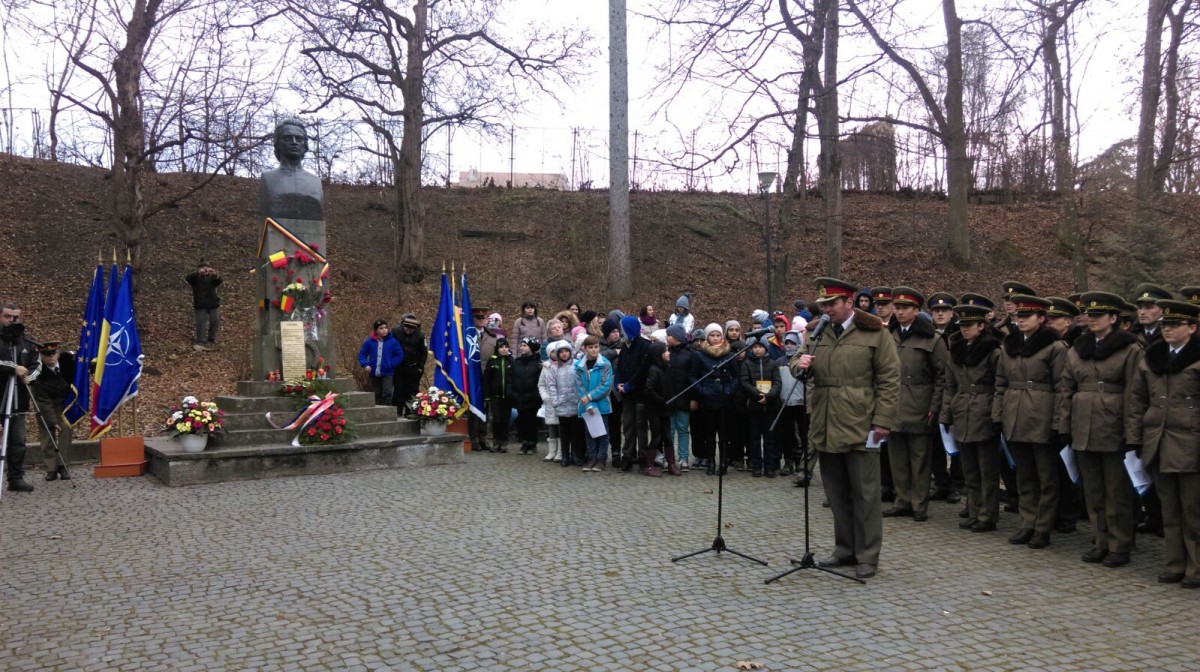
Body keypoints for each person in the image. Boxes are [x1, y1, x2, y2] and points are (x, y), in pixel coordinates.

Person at [792, 278, 900, 580]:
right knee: (836, 492)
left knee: (865, 493)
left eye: (832, 304)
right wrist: (798, 364)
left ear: (849, 302)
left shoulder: (875, 333)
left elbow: (890, 379)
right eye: (823, 304)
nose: (827, 309)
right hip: (825, 421)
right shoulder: (818, 332)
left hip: (860, 422)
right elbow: (796, 359)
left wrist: (883, 420)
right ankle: (845, 549)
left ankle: (867, 554)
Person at [1060, 291, 1141, 567]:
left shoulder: (1129, 349)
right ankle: (1100, 540)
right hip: (1083, 425)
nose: (1092, 319)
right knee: (1093, 491)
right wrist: (1064, 425)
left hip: (1113, 426)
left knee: (1116, 492)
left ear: (1113, 318)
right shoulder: (1078, 348)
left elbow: (1135, 394)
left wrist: (1132, 432)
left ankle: (1120, 544)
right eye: (1089, 314)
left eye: (1099, 315)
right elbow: (1066, 388)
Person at [1129, 299, 1200, 588]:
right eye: (1165, 325)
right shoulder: (1152, 358)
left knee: (1193, 511)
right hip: (1158, 442)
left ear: (1192, 328)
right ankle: (1174, 563)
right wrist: (1134, 439)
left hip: (1191, 443)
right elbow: (1136, 400)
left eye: (1174, 324)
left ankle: (1196, 567)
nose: (1167, 329)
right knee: (1169, 510)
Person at [993, 293, 1067, 550]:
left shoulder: (1055, 347)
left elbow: (1062, 388)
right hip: (1015, 416)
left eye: (1027, 316)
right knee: (1024, 475)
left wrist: (1057, 422)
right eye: (1018, 316)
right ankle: (1027, 522)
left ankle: (1043, 527)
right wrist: (998, 415)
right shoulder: (1010, 345)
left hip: (1041, 417)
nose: (1021, 320)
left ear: (1041, 318)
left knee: (1046, 477)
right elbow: (1000, 383)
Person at [883, 287, 947, 522]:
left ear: (916, 311)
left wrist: (934, 407)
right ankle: (902, 500)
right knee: (897, 459)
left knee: (920, 459)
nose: (900, 312)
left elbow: (942, 376)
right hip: (893, 403)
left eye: (905, 308)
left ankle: (919, 503)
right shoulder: (889, 335)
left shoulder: (932, 338)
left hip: (920, 403)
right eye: (897, 308)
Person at [941, 301, 1003, 533]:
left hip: (983, 410)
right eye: (962, 325)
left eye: (969, 325)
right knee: (970, 469)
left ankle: (988, 514)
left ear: (981, 326)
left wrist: (996, 415)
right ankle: (975, 510)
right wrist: (946, 414)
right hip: (962, 410)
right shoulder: (956, 351)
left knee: (987, 469)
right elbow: (949, 385)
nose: (964, 329)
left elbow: (999, 385)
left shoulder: (993, 351)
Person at [690, 323, 740, 475]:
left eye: (718, 335)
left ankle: (723, 462)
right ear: (707, 337)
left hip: (725, 399)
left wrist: (730, 390)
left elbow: (737, 376)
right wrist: (702, 391)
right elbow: (693, 376)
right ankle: (710, 462)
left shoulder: (729, 355)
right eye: (712, 335)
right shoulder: (699, 355)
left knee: (724, 434)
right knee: (709, 433)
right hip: (708, 400)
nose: (715, 338)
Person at [0, 303, 37, 492]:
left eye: (15, 317)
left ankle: (15, 478)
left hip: (17, 399)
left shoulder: (26, 341)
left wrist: (29, 376)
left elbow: (37, 364)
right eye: (7, 316)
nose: (12, 320)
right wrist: (13, 368)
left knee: (18, 441)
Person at [260, 117, 324, 220]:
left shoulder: (315, 181)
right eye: (287, 138)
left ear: (305, 144)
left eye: (299, 139)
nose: (294, 142)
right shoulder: (268, 178)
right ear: (277, 143)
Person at [29, 341, 74, 481]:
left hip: (64, 404)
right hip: (45, 406)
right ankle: (51, 469)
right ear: (41, 356)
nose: (51, 357)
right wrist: (53, 421)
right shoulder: (37, 372)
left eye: (53, 354)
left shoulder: (68, 363)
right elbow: (43, 401)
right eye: (47, 355)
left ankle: (63, 466)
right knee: (47, 433)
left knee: (65, 429)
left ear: (58, 354)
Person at [740, 336, 782, 477]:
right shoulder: (747, 364)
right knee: (755, 438)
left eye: (760, 347)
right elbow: (745, 382)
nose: (757, 350)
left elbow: (777, 382)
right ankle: (756, 465)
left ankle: (769, 466)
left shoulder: (773, 364)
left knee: (770, 439)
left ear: (765, 348)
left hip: (771, 406)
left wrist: (768, 397)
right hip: (754, 406)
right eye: (755, 347)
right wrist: (758, 396)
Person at [615, 315, 652, 473]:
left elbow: (643, 370)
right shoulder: (625, 346)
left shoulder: (645, 345)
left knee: (641, 426)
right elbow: (620, 367)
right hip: (626, 393)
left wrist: (630, 385)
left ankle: (643, 457)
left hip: (640, 393)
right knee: (628, 425)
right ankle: (627, 456)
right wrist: (618, 383)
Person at [575, 335, 614, 472]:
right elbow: (579, 386)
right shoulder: (579, 366)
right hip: (586, 405)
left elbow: (606, 385)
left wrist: (590, 397)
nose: (594, 350)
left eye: (596, 347)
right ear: (584, 349)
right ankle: (591, 457)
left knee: (603, 433)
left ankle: (601, 459)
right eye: (590, 347)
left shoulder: (605, 364)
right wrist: (587, 404)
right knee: (589, 432)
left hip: (601, 404)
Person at [642, 341, 681, 476]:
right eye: (666, 351)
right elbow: (649, 390)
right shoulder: (654, 370)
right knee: (656, 437)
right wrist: (662, 401)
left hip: (665, 409)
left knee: (667, 437)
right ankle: (649, 465)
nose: (668, 353)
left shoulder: (665, 368)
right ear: (659, 354)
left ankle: (671, 464)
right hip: (655, 410)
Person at [540, 340, 581, 466]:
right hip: (561, 404)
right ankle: (565, 455)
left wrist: (579, 398)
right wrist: (555, 401)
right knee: (564, 433)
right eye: (561, 352)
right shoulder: (554, 368)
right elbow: (551, 385)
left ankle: (575, 454)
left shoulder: (576, 365)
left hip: (575, 403)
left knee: (575, 432)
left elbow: (581, 382)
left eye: (566, 351)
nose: (564, 354)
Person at [777, 331, 810, 483]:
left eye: (793, 343)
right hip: (785, 403)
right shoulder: (779, 362)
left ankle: (803, 463)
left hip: (801, 403)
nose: (789, 346)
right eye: (787, 343)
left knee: (804, 435)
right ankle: (788, 461)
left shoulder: (803, 362)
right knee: (787, 434)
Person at [664, 324, 695, 472]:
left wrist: (693, 398)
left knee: (683, 429)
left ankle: (683, 458)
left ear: (676, 337)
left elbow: (693, 378)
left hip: (684, 397)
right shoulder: (666, 353)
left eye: (669, 335)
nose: (666, 337)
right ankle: (669, 458)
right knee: (669, 429)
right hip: (669, 398)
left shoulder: (690, 354)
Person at [468, 307, 498, 452]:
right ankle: (473, 438)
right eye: (478, 318)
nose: (481, 320)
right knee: (473, 408)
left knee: (486, 408)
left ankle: (483, 438)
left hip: (488, 375)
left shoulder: (492, 337)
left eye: (483, 318)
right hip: (472, 375)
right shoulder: (468, 334)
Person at [357, 319, 404, 406]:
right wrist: (365, 364)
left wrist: (391, 364)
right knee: (376, 393)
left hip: (387, 372)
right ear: (376, 330)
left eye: (385, 328)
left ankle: (387, 410)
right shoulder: (369, 342)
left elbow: (399, 354)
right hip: (374, 372)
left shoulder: (393, 342)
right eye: (381, 328)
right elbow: (362, 354)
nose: (384, 330)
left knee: (387, 392)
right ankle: (378, 410)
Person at [511, 338, 543, 454]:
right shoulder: (517, 362)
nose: (522, 348)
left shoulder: (538, 363)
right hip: (519, 395)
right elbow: (513, 377)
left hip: (532, 397)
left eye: (525, 345)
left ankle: (532, 443)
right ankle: (524, 442)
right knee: (521, 420)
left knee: (531, 421)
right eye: (521, 345)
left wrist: (536, 395)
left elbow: (540, 380)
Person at [391, 314, 428, 416]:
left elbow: (423, 353)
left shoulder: (420, 336)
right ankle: (396, 412)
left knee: (412, 391)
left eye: (411, 329)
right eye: (407, 328)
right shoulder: (396, 332)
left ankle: (410, 412)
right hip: (398, 366)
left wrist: (420, 367)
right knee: (398, 389)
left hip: (413, 366)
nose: (408, 331)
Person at [484, 338, 515, 453]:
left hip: (508, 396)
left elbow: (515, 378)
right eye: (501, 347)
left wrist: (513, 393)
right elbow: (487, 379)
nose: (504, 349)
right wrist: (487, 395)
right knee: (496, 420)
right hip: (495, 395)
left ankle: (504, 442)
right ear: (497, 348)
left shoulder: (511, 361)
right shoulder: (492, 361)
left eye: (506, 347)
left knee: (505, 420)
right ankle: (496, 441)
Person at [185, 260, 222, 351]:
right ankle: (200, 340)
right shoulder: (195, 279)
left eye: (207, 269)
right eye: (203, 269)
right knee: (201, 322)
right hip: (200, 304)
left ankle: (211, 338)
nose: (205, 271)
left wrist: (215, 274)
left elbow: (219, 281)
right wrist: (197, 272)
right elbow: (188, 278)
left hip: (213, 303)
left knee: (215, 320)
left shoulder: (212, 278)